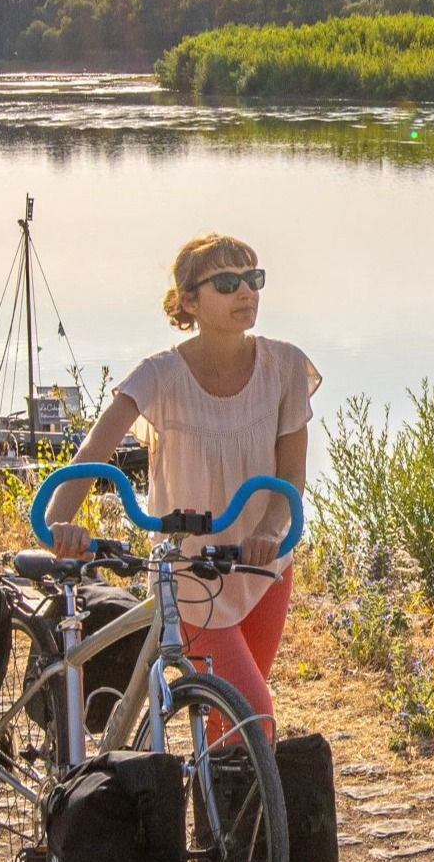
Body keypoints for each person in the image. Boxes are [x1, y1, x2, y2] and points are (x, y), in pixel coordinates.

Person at [46, 234, 317, 747]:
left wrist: (269, 530)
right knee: (252, 715)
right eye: (228, 283)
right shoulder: (160, 374)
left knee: (228, 720)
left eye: (253, 279)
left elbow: (290, 477)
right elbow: (93, 453)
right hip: (190, 574)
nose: (247, 292)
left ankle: (214, 803)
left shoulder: (284, 367)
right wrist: (59, 520)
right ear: (189, 301)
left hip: (262, 565)